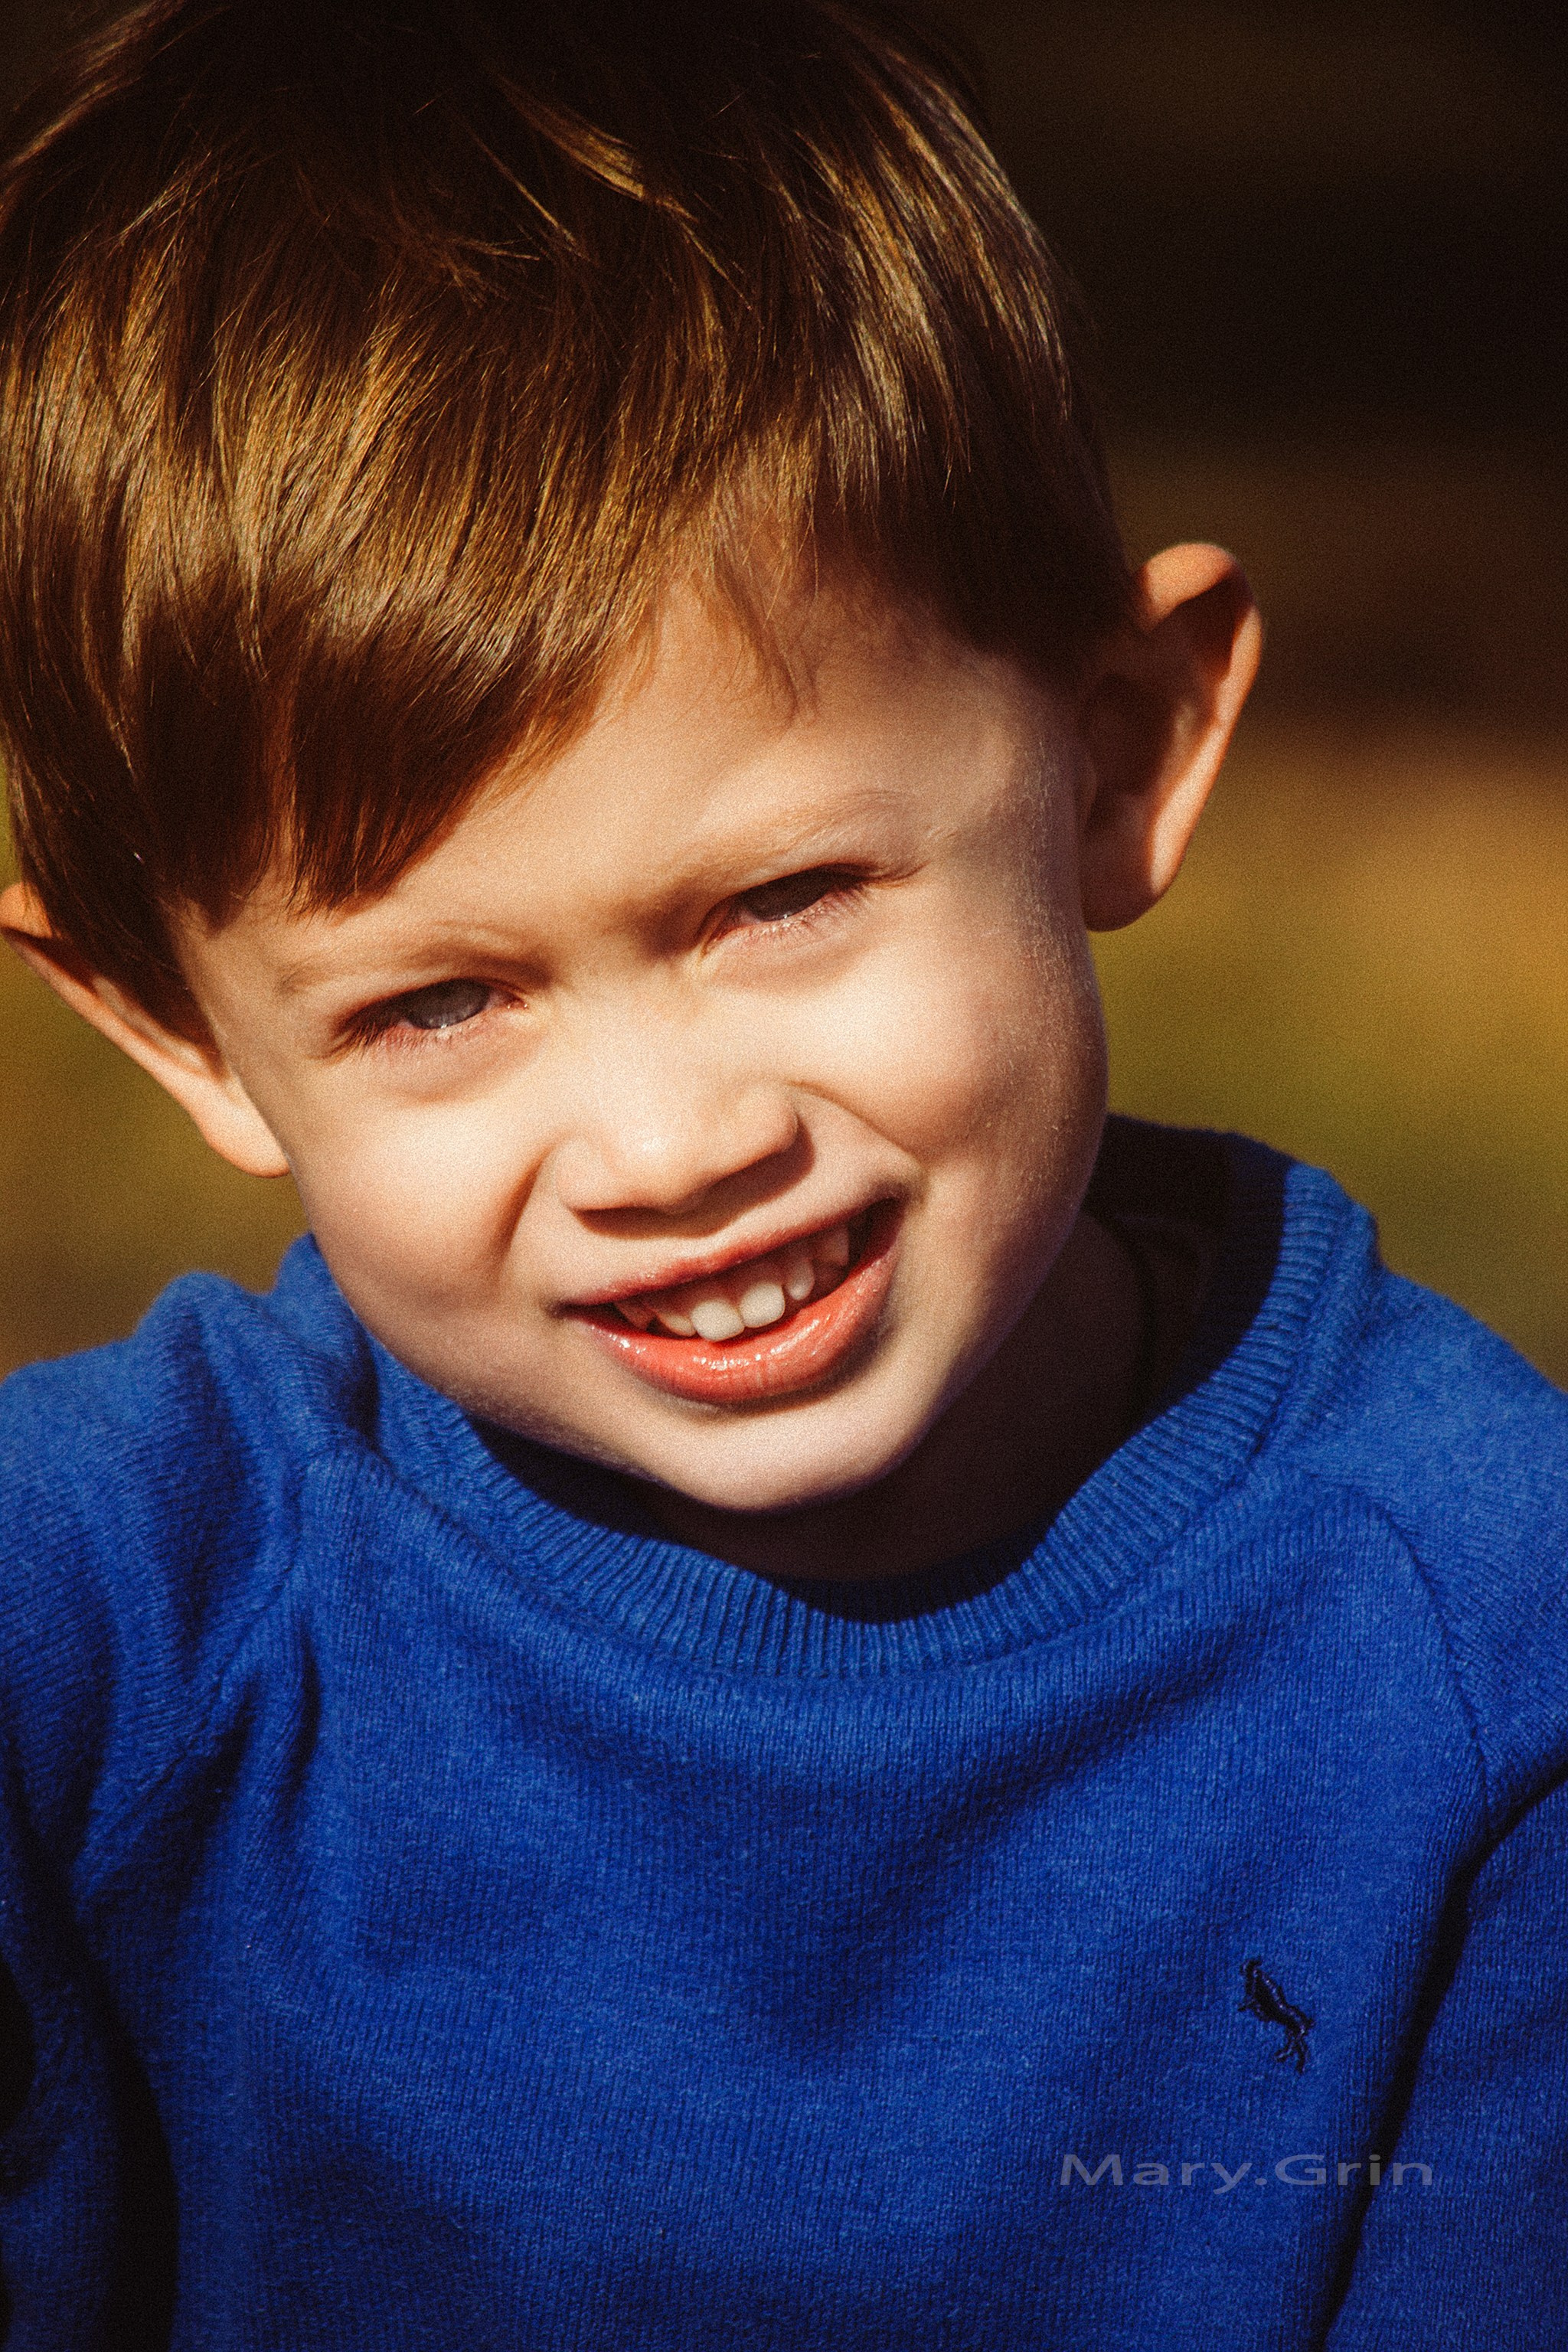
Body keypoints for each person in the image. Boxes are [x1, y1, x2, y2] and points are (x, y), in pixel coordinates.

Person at [0, 0, 1563, 2343]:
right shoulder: (105, 1637)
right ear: (184, 1036)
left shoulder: (1482, 1646)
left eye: (783, 901)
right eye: (438, 1005)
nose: (676, 1147)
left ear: (1117, 757)